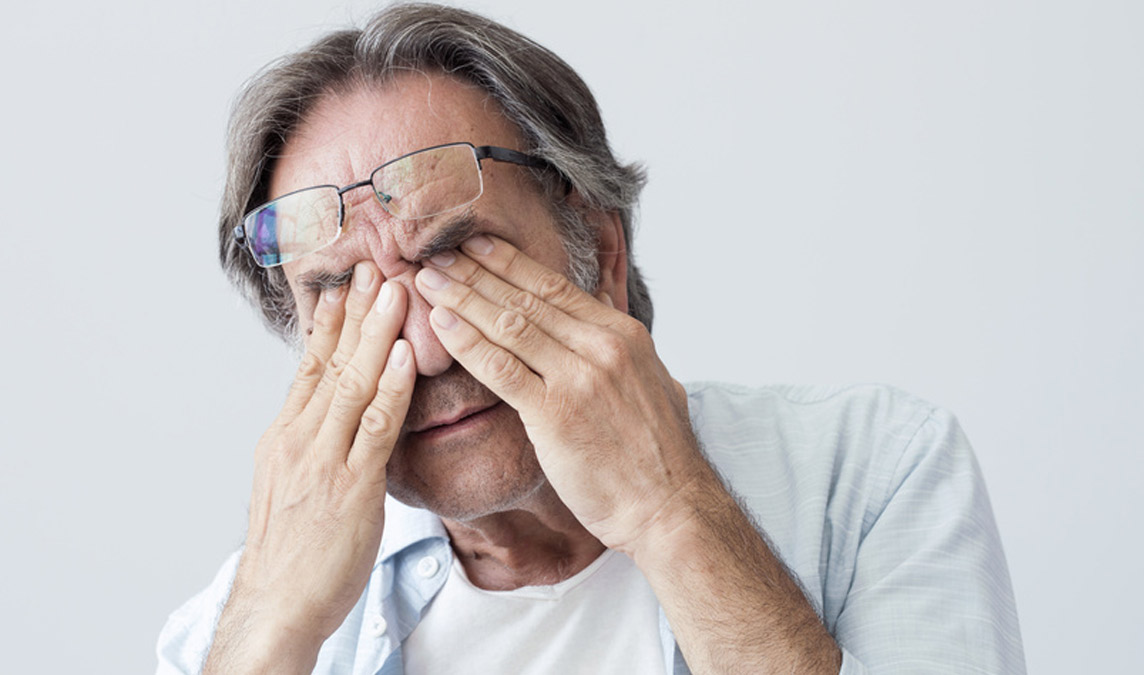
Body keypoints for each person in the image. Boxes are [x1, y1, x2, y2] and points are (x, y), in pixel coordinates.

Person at [157, 4, 1025, 674]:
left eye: (458, 251)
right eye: (342, 289)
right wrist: (271, 629)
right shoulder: (232, 631)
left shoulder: (874, 475)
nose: (420, 347)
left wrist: (671, 510)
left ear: (600, 254)